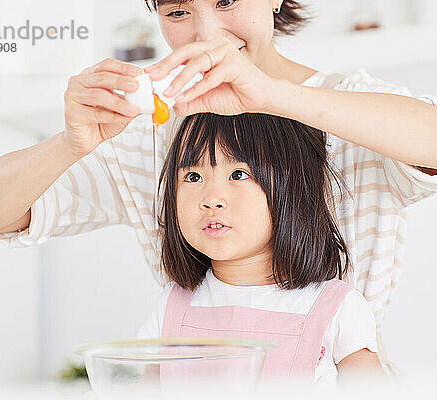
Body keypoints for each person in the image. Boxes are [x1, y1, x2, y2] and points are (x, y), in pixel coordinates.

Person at [0, 0, 437, 377]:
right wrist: (70, 143)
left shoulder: (347, 105)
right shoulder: (149, 133)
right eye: (178, 11)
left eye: (228, 1)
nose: (207, 33)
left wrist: (275, 97)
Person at [137, 112, 383, 386]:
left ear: (291, 187)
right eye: (193, 177)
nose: (211, 200)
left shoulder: (336, 307)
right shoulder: (172, 306)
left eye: (238, 174)